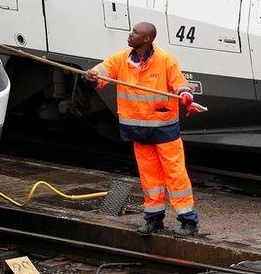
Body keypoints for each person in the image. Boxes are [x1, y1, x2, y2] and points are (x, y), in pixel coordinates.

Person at [85, 22, 200, 237]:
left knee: (175, 175)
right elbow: (102, 72)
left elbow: (180, 84)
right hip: (138, 130)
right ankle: (154, 219)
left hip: (164, 129)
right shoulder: (121, 58)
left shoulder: (165, 60)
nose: (130, 34)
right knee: (150, 178)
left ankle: (188, 221)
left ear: (147, 39)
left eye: (136, 32)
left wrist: (185, 94)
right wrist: (92, 76)